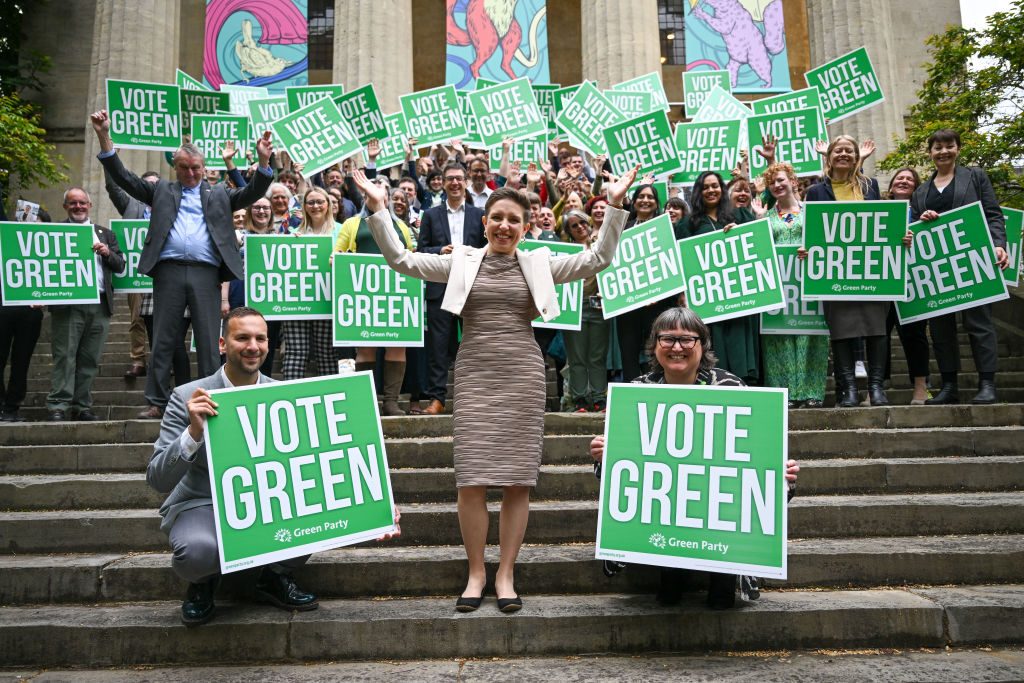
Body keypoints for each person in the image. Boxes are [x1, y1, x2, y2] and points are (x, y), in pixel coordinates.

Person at [354, 163, 638, 613]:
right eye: (498, 218)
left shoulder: (539, 262)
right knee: (471, 480)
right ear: (484, 221)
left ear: (525, 227)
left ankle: (506, 573)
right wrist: (378, 209)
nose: (505, 226)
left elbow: (597, 259)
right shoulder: (462, 260)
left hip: (522, 375)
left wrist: (615, 205)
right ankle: (476, 573)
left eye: (514, 220)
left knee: (517, 481)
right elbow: (402, 260)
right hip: (475, 374)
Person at [147, 308, 370, 626]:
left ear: (269, 344)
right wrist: (193, 433)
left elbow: (321, 464)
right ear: (222, 344)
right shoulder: (187, 396)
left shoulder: (285, 397)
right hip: (204, 503)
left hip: (270, 503)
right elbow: (157, 478)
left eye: (260, 338)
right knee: (197, 552)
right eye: (242, 338)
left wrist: (373, 504)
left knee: (322, 517)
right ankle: (203, 581)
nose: (253, 346)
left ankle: (274, 575)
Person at [589, 307, 800, 609]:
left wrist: (780, 471)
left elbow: (753, 459)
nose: (677, 347)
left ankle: (724, 576)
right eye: (667, 339)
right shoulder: (637, 392)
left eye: (687, 339)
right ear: (655, 345)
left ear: (703, 344)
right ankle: (670, 571)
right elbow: (623, 473)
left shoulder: (731, 388)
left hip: (719, 503)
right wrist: (605, 454)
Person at [92, 109, 274, 419]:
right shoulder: (161, 190)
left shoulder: (220, 193)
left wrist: (264, 161)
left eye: (196, 168)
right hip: (169, 271)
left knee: (207, 340)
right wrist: (103, 135)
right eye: (184, 168)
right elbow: (125, 178)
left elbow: (253, 192)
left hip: (206, 273)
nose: (191, 173)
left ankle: (214, 398)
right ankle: (157, 401)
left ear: (204, 167)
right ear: (175, 167)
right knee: (164, 337)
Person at [804, 135, 909, 407]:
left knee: (876, 329)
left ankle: (876, 388)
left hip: (870, 271)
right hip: (834, 273)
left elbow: (881, 223)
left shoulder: (870, 185)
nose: (843, 154)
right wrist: (806, 248)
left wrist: (901, 236)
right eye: (838, 150)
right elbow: (811, 229)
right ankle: (849, 389)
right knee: (840, 330)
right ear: (829, 156)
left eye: (849, 151)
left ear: (855, 157)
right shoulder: (815, 192)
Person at [910, 129, 1009, 405]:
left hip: (973, 262)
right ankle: (949, 385)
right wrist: (923, 219)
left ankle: (987, 383)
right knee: (940, 329)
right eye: (937, 147)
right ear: (930, 153)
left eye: (949, 146)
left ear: (958, 149)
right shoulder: (920, 192)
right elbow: (913, 229)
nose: (943, 151)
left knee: (979, 323)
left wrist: (999, 244)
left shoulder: (975, 177)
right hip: (938, 269)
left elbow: (993, 214)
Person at [335, 178, 415, 415]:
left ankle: (391, 402)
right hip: (363, 294)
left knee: (397, 347)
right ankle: (365, 401)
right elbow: (338, 251)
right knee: (366, 348)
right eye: (371, 192)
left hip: (396, 295)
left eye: (382, 193)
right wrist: (336, 257)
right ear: (364, 196)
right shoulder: (351, 223)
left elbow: (411, 255)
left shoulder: (401, 226)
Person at [46, 187, 125, 421]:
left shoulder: (105, 234)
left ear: (90, 205)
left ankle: (82, 406)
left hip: (99, 304)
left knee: (90, 358)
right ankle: (58, 405)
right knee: (65, 355)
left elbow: (120, 265)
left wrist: (107, 253)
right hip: (68, 304)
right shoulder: (54, 232)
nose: (78, 207)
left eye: (82, 202)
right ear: (65, 207)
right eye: (73, 203)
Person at [416, 162, 486, 415]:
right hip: (440, 288)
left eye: (459, 178)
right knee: (438, 347)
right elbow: (421, 250)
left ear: (466, 182)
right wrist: (440, 250)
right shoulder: (430, 215)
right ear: (443, 183)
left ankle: (474, 399)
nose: (455, 183)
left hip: (472, 289)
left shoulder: (480, 215)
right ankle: (437, 399)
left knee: (475, 346)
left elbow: (488, 249)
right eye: (450, 179)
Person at [679, 171, 760, 384]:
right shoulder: (689, 224)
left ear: (722, 189)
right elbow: (680, 260)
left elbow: (758, 241)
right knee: (714, 349)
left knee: (739, 346)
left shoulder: (739, 215)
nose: (711, 190)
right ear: (698, 192)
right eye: (705, 187)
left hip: (738, 295)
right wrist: (683, 294)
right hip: (708, 300)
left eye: (715, 185)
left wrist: (740, 232)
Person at [759, 163, 828, 408]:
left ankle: (812, 393)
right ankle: (785, 394)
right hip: (779, 286)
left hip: (809, 284)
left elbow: (825, 242)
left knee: (811, 336)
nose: (777, 185)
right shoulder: (765, 217)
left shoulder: (811, 212)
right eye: (772, 183)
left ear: (793, 182)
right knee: (779, 338)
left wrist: (812, 250)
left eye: (781, 180)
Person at [103, 167, 160, 380]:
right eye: (148, 183)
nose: (152, 187)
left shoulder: (170, 205)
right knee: (137, 318)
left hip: (162, 272)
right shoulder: (131, 204)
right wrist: (109, 158)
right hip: (137, 273)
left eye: (156, 184)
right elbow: (113, 187)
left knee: (163, 319)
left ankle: (161, 361)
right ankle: (138, 360)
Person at [281, 187, 342, 381]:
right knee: (295, 352)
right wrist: (290, 246)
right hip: (297, 300)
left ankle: (329, 393)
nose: (315, 206)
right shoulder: (294, 233)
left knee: (327, 352)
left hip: (327, 299)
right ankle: (291, 393)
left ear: (328, 205)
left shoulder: (341, 230)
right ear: (305, 207)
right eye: (311, 202)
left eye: (320, 202)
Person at [886, 168, 931, 404]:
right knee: (878, 335)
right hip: (882, 282)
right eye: (899, 178)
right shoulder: (878, 209)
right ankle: (877, 388)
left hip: (912, 282)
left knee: (914, 335)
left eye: (909, 179)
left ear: (916, 187)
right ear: (891, 185)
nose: (903, 181)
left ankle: (921, 387)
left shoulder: (921, 213)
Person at [618, 184, 671, 384]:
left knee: (655, 349)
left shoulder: (665, 227)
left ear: (656, 203)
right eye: (641, 196)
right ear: (634, 202)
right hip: (627, 302)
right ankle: (631, 388)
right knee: (628, 349)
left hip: (657, 303)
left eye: (650, 197)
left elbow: (671, 261)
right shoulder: (623, 228)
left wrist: (658, 293)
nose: (645, 200)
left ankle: (655, 386)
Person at [562, 209, 609, 412]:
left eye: (582, 222)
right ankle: (579, 398)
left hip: (599, 306)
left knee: (597, 356)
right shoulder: (564, 251)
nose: (580, 227)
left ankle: (599, 398)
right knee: (577, 357)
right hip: (575, 306)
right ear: (569, 231)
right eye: (574, 225)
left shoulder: (601, 245)